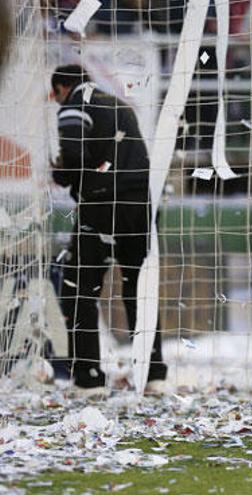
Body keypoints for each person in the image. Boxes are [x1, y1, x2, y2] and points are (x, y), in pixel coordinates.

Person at [50, 65, 166, 396]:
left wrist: (62, 174)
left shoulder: (74, 105)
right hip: (142, 206)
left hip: (101, 206)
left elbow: (73, 153)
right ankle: (154, 375)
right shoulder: (118, 104)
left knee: (79, 288)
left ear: (61, 87)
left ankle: (88, 379)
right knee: (139, 289)